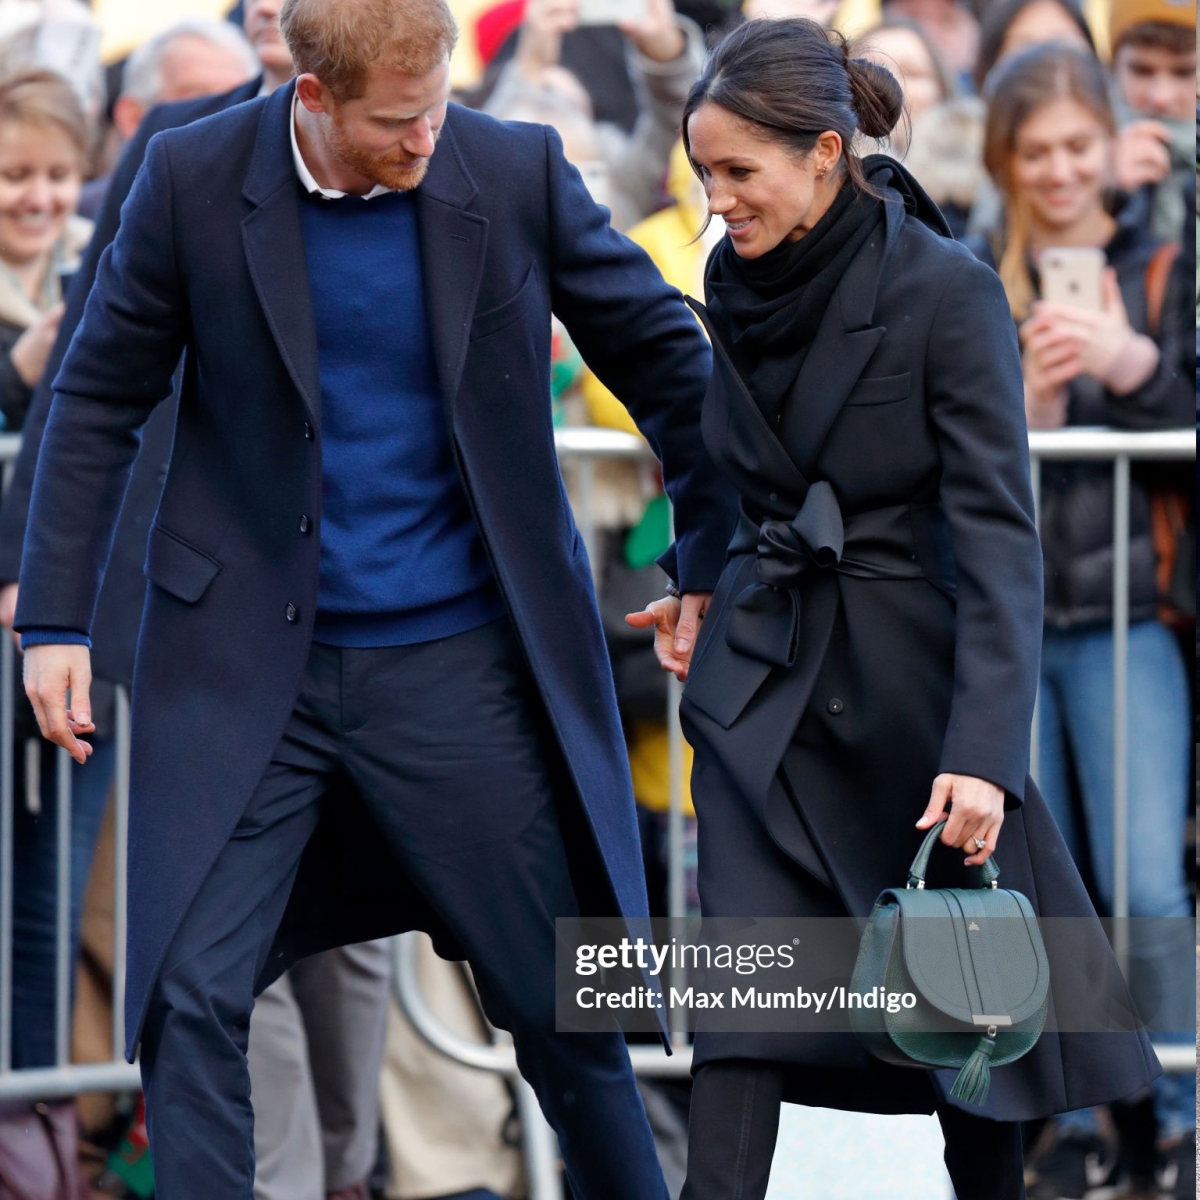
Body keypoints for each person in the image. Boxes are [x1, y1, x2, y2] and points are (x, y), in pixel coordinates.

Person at [15, 3, 732, 1200]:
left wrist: (705, 558)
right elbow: (94, 397)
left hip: (462, 663)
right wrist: (55, 618)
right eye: (399, 122)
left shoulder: (511, 167)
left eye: (438, 105)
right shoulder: (191, 176)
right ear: (312, 96)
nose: (427, 139)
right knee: (186, 996)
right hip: (246, 673)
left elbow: (669, 360)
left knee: (564, 1008)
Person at [626, 18, 1162, 1200]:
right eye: (704, 172)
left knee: (964, 1020)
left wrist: (985, 758)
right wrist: (697, 574)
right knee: (745, 1012)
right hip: (764, 692)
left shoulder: (947, 290)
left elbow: (1000, 535)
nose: (717, 202)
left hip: (914, 701)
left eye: (738, 172)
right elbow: (724, 462)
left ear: (825, 153)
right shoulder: (733, 279)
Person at [969, 41, 1194, 1194]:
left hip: (1128, 615)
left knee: (1144, 887)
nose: (1058, 171)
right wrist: (1030, 413)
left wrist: (1133, 367)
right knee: (1026, 893)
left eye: (1076, 147)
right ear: (1003, 161)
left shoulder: (1164, 264)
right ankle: (1063, 1118)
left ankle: (1178, 1113)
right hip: (1005, 626)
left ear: (1110, 148)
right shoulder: (969, 276)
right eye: (1036, 151)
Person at [1107, 0, 1196, 244]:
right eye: (1142, 71)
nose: (1161, 97)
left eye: (1185, 72)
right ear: (1114, 70)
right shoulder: (1081, 164)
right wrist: (1104, 197)